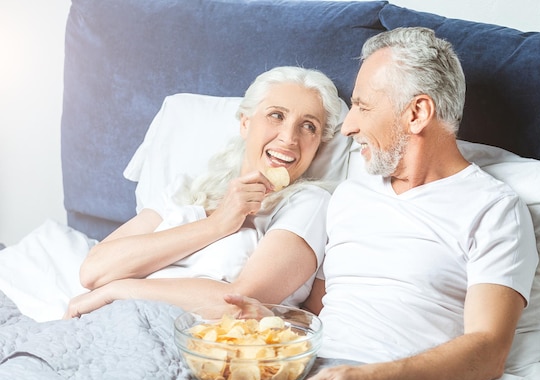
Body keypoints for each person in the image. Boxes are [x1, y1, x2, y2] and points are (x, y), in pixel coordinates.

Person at [231, 27, 538, 380]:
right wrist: (276, 325)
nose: (347, 127)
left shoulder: (493, 209)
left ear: (417, 113)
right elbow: (321, 314)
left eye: (363, 106)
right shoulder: (349, 196)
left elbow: (489, 350)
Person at [63, 66, 344, 319]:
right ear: (245, 123)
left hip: (189, 340)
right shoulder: (185, 190)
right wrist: (217, 223)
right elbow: (93, 271)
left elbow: (240, 304)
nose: (289, 137)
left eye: (309, 126)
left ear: (319, 143)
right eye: (276, 115)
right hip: (104, 321)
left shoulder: (309, 204)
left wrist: (117, 291)